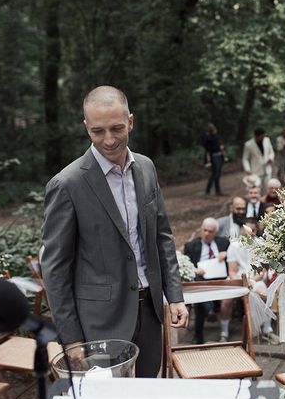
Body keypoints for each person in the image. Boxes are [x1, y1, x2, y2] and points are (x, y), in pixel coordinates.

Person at [41, 85, 188, 378]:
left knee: (146, 396)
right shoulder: (66, 185)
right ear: (86, 128)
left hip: (149, 313)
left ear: (131, 121)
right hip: (99, 322)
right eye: (98, 131)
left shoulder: (146, 168)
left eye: (117, 128)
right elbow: (55, 269)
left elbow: (162, 236)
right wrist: (70, 337)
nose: (108, 140)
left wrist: (175, 296)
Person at [183, 217, 229, 344]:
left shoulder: (224, 243)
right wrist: (194, 270)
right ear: (201, 230)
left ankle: (209, 310)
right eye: (205, 230)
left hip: (220, 280)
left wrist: (226, 255)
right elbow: (185, 265)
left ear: (216, 232)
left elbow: (234, 260)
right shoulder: (192, 245)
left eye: (211, 231)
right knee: (200, 297)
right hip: (201, 281)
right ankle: (199, 333)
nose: (207, 234)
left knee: (201, 296)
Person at [242, 128, 275, 193]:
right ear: (256, 136)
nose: (262, 138)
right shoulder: (248, 144)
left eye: (263, 136)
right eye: (261, 137)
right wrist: (247, 169)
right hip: (256, 171)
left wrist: (270, 158)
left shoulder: (267, 140)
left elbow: (271, 152)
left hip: (267, 170)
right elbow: (245, 159)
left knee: (267, 189)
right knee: (257, 190)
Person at [203, 123, 225, 195]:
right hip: (214, 156)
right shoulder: (208, 138)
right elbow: (208, 148)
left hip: (219, 155)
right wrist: (218, 148)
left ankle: (217, 190)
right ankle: (208, 189)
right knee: (215, 173)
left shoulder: (216, 136)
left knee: (217, 173)